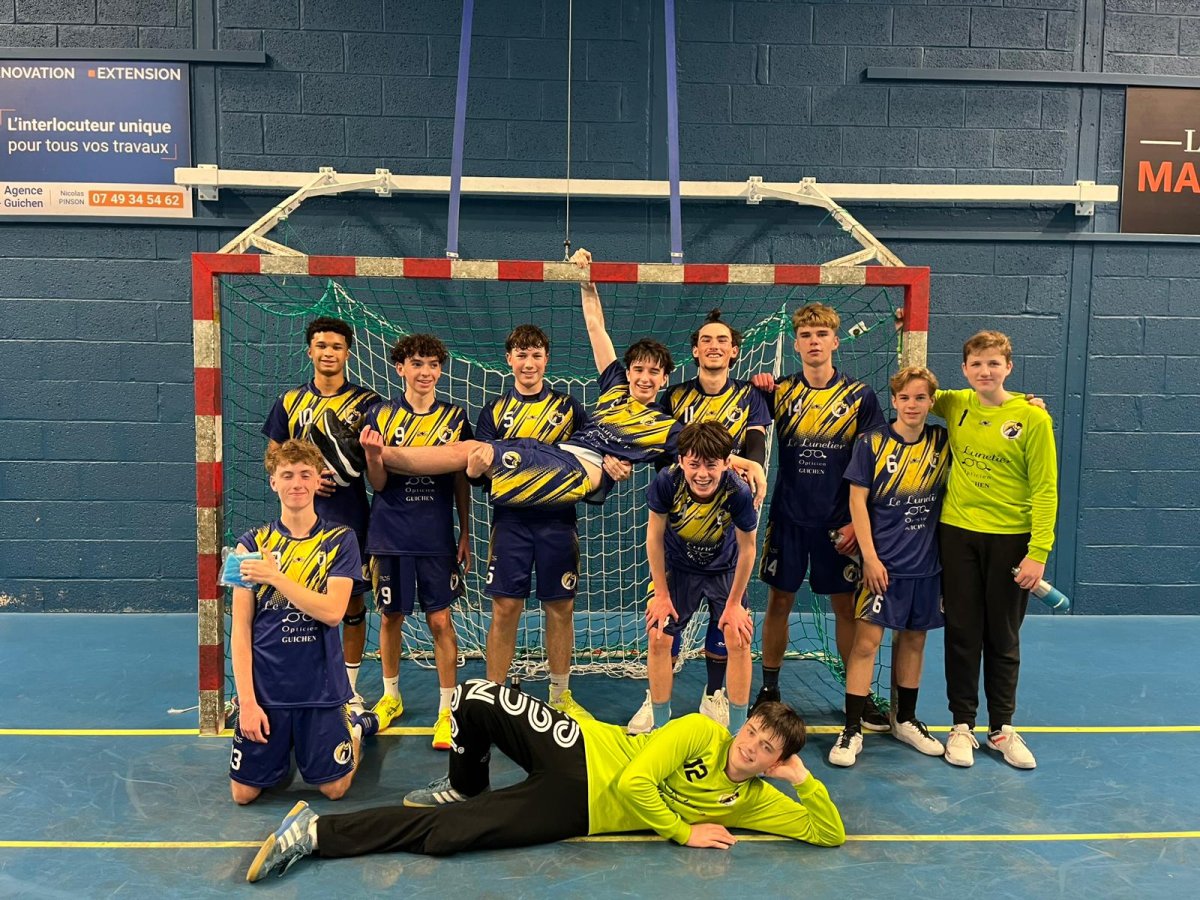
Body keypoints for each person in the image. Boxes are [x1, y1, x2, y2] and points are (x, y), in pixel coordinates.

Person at [245, 678, 844, 880]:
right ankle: (467, 781)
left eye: (766, 749)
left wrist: (803, 781)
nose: (750, 746)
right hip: (583, 746)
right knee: (473, 698)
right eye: (752, 732)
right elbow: (636, 783)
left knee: (448, 834)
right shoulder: (699, 731)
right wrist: (684, 832)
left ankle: (314, 833)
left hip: (575, 806)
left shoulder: (754, 800)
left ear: (773, 763)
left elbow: (828, 834)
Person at [473, 323, 628, 719]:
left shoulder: (568, 408)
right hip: (510, 523)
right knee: (505, 608)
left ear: (546, 359)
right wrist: (479, 469)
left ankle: (559, 696)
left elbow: (592, 458)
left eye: (536, 355)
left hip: (558, 523)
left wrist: (612, 466)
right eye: (521, 355)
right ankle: (493, 698)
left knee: (560, 608)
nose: (529, 363)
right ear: (509, 360)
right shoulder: (493, 413)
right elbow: (481, 475)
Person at [751, 304, 887, 731]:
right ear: (796, 344)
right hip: (789, 518)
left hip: (839, 524)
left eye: (821, 334)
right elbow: (735, 407)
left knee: (844, 607)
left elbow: (873, 463)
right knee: (779, 602)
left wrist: (857, 523)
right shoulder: (780, 391)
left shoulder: (860, 396)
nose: (814, 341)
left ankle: (857, 694)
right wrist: (758, 385)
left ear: (835, 341)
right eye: (806, 335)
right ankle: (769, 688)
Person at [228, 439, 378, 806]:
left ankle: (355, 726)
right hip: (268, 689)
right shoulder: (249, 546)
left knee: (334, 790)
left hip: (321, 688)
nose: (296, 483)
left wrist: (275, 577)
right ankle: (290, 742)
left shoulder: (340, 540)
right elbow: (240, 631)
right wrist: (247, 702)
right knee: (243, 794)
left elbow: (333, 612)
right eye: (287, 475)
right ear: (273, 483)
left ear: (317, 480)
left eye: (305, 475)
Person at [934, 331, 1058, 770]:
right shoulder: (954, 404)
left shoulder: (1032, 418)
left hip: (1011, 539)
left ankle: (1002, 728)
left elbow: (1046, 489)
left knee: (1002, 636)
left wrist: (1038, 552)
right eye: (976, 364)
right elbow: (912, 389)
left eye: (993, 363)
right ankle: (961, 726)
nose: (984, 371)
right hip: (957, 533)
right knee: (962, 632)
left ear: (1009, 367)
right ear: (964, 369)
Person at [829, 366, 950, 767]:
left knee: (914, 641)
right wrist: (870, 557)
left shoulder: (942, 441)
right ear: (894, 400)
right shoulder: (872, 443)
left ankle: (905, 719)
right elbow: (857, 502)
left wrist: (1028, 404)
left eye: (920, 398)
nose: (912, 405)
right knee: (866, 644)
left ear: (931, 402)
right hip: (883, 566)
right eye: (905, 398)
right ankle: (851, 729)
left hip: (926, 567)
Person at [658, 309, 772, 726]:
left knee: (726, 617)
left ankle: (714, 693)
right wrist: (736, 462)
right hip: (683, 521)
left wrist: (750, 466)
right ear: (694, 351)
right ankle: (658, 697)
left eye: (722, 340)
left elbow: (757, 447)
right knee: (665, 622)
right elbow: (667, 450)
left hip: (726, 522)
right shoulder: (673, 397)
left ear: (734, 351)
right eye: (706, 340)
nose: (714, 346)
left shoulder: (750, 396)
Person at [358, 334, 472, 750]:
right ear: (400, 368)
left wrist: (465, 531)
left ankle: (447, 708)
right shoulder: (380, 414)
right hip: (390, 533)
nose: (426, 372)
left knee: (440, 621)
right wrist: (374, 456)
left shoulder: (455, 417)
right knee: (391, 617)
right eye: (418, 364)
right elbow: (378, 483)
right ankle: (391, 696)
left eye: (433, 365)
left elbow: (460, 480)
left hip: (436, 536)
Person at [262, 316, 380, 712]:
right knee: (297, 601)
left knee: (352, 605)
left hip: (350, 516)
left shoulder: (367, 403)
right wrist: (306, 480)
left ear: (348, 353)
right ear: (310, 351)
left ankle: (348, 689)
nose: (329, 353)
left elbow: (376, 458)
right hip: (300, 521)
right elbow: (273, 457)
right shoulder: (290, 402)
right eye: (322, 346)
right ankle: (302, 679)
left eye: (337, 347)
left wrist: (349, 466)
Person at [627, 422, 759, 737]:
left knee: (738, 636)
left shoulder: (737, 492)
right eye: (694, 464)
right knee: (659, 634)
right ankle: (660, 724)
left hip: (724, 569)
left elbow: (748, 549)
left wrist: (734, 604)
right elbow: (654, 537)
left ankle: (736, 732)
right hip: (679, 568)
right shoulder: (667, 482)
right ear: (681, 460)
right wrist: (661, 595)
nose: (702, 473)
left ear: (726, 463)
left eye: (711, 465)